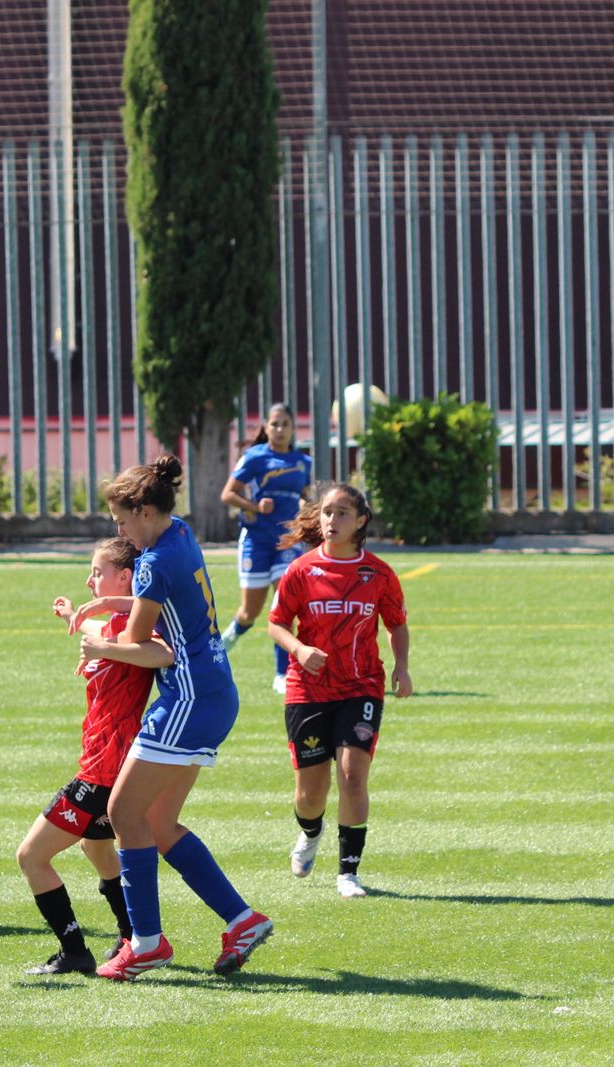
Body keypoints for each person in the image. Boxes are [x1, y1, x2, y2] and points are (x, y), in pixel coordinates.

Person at [70, 454, 273, 980]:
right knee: (157, 823)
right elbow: (154, 610)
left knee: (124, 813)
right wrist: (103, 608)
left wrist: (94, 641)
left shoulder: (157, 560)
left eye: (121, 519)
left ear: (144, 511)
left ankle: (146, 943)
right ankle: (242, 920)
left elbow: (140, 642)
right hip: (214, 691)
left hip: (187, 699)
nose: (118, 530)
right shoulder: (178, 533)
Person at [15, 537, 168, 976]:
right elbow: (102, 633)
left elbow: (159, 653)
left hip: (103, 770)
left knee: (31, 857)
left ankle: (74, 950)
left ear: (124, 577)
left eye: (97, 572)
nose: (89, 580)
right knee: (97, 847)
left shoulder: (135, 623)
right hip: (106, 765)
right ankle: (131, 937)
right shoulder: (118, 623)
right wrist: (74, 615)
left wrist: (102, 647)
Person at [266, 483, 412, 899]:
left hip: (361, 686)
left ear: (361, 520)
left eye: (343, 512)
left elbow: (396, 624)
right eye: (328, 512)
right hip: (307, 691)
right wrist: (298, 647)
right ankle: (310, 833)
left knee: (351, 776)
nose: (332, 520)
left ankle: (348, 872)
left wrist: (401, 667)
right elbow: (276, 622)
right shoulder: (301, 570)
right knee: (310, 795)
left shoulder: (379, 573)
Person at [218, 403, 312, 694]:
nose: (280, 429)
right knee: (249, 612)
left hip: (287, 541)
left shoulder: (302, 462)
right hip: (256, 540)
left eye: (285, 423)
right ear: (266, 427)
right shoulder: (255, 457)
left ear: (294, 427)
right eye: (275, 424)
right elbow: (228, 494)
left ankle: (282, 674)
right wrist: (254, 506)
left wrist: (308, 512)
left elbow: (307, 497)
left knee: (283, 603)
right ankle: (223, 646)